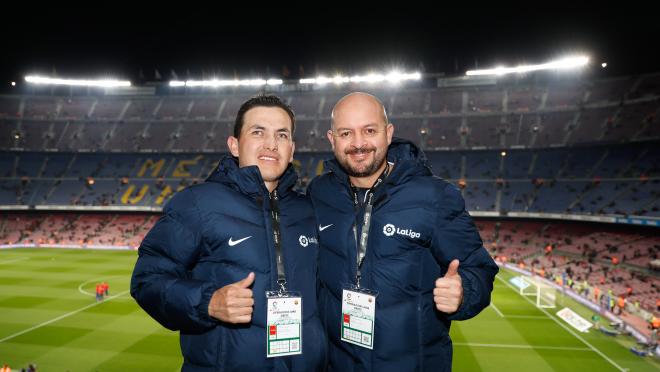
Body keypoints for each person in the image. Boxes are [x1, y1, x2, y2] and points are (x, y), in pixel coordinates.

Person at [131, 94, 326, 371]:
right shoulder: (198, 203)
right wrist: (208, 302)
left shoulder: (308, 210)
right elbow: (146, 281)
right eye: (258, 132)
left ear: (292, 149)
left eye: (281, 135)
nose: (271, 144)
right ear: (234, 145)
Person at [307, 92, 499, 371]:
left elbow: (479, 268)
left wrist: (464, 292)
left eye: (369, 130)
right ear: (331, 138)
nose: (358, 143)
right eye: (346, 133)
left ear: (388, 133)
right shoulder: (319, 193)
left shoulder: (434, 196)